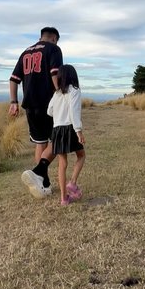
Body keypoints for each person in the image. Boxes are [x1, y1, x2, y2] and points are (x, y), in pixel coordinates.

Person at [9, 27, 63, 198]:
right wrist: (62, 95)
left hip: (30, 105)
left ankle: (43, 184)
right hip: (48, 104)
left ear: (41, 37)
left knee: (40, 142)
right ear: (54, 38)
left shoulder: (25, 52)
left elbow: (13, 79)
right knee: (59, 139)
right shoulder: (54, 49)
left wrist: (13, 102)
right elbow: (55, 74)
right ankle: (38, 172)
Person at [47, 64, 86, 206]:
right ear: (73, 76)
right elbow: (74, 112)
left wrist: (59, 112)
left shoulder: (56, 93)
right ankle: (73, 183)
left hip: (57, 130)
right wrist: (79, 131)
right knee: (81, 155)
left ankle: (64, 199)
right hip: (69, 128)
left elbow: (49, 111)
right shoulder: (74, 90)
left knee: (62, 164)